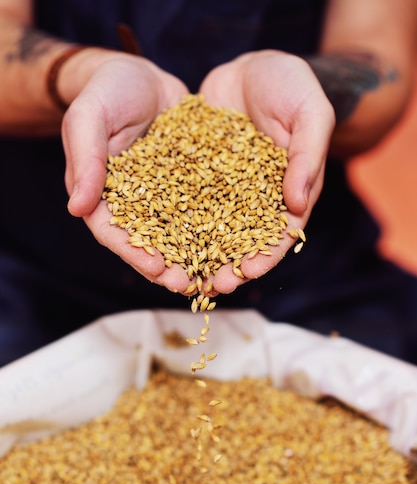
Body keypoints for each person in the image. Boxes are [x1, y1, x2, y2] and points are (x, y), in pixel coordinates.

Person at [1, 0, 417, 367]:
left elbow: (380, 61)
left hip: (308, 277)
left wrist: (308, 92)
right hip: (38, 271)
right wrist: (83, 74)